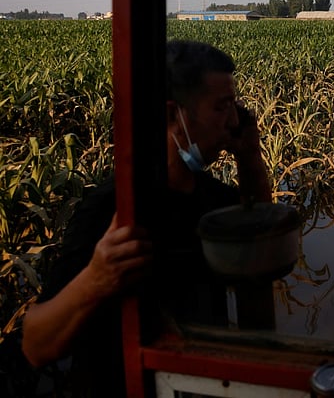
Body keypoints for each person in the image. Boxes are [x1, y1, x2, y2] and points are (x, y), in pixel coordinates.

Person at [21, 40, 271, 396]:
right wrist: (96, 278)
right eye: (222, 108)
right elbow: (36, 345)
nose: (234, 121)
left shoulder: (209, 195)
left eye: (235, 107)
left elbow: (261, 235)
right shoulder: (114, 209)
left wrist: (249, 155)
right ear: (172, 115)